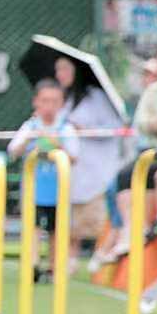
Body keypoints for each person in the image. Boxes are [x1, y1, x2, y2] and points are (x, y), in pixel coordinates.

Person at [95, 44, 157, 263]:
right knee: (123, 177)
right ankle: (131, 229)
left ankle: (142, 227)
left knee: (150, 171)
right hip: (152, 150)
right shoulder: (153, 91)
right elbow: (142, 124)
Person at [8, 78, 81, 283]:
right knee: (32, 228)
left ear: (61, 104)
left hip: (58, 189)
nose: (49, 106)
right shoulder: (30, 126)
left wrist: (57, 144)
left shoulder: (66, 128)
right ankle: (32, 265)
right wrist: (29, 138)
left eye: (54, 101)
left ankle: (52, 268)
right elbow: (13, 151)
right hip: (34, 188)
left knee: (56, 230)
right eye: (45, 101)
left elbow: (74, 157)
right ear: (36, 102)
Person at [53, 55, 124, 254]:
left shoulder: (96, 97)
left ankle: (101, 257)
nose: (60, 74)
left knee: (97, 225)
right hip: (72, 174)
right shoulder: (64, 100)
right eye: (58, 70)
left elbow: (114, 128)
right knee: (70, 229)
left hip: (98, 173)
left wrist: (83, 129)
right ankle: (69, 261)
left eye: (65, 69)